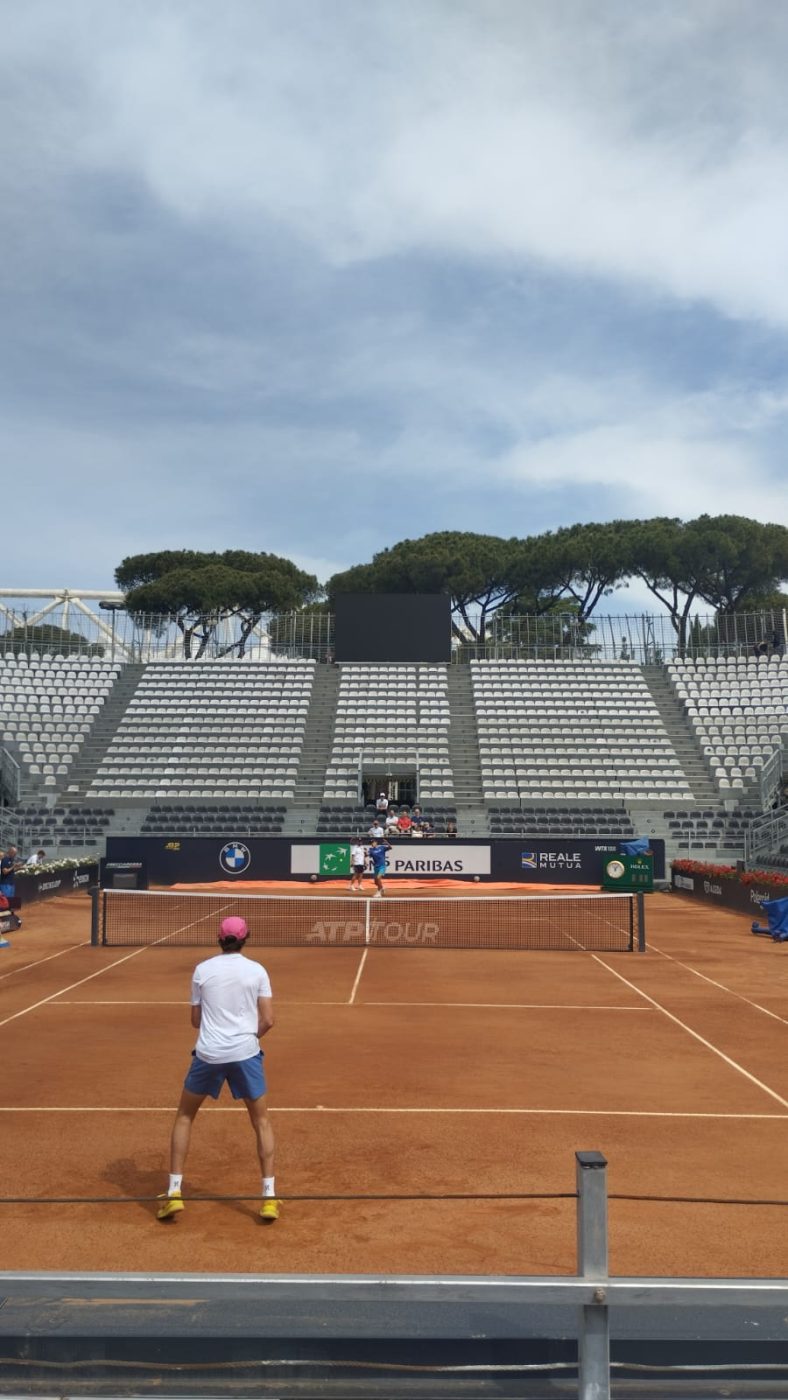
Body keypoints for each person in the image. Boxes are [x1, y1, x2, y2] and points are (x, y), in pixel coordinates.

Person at [157, 916, 278, 1224]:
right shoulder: (257, 971)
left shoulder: (202, 970)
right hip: (245, 1053)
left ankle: (174, 1193)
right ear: (246, 938)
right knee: (261, 1121)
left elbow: (195, 1021)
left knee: (185, 1116)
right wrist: (247, 1040)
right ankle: (268, 1198)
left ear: (219, 939)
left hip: (208, 1054)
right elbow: (267, 1020)